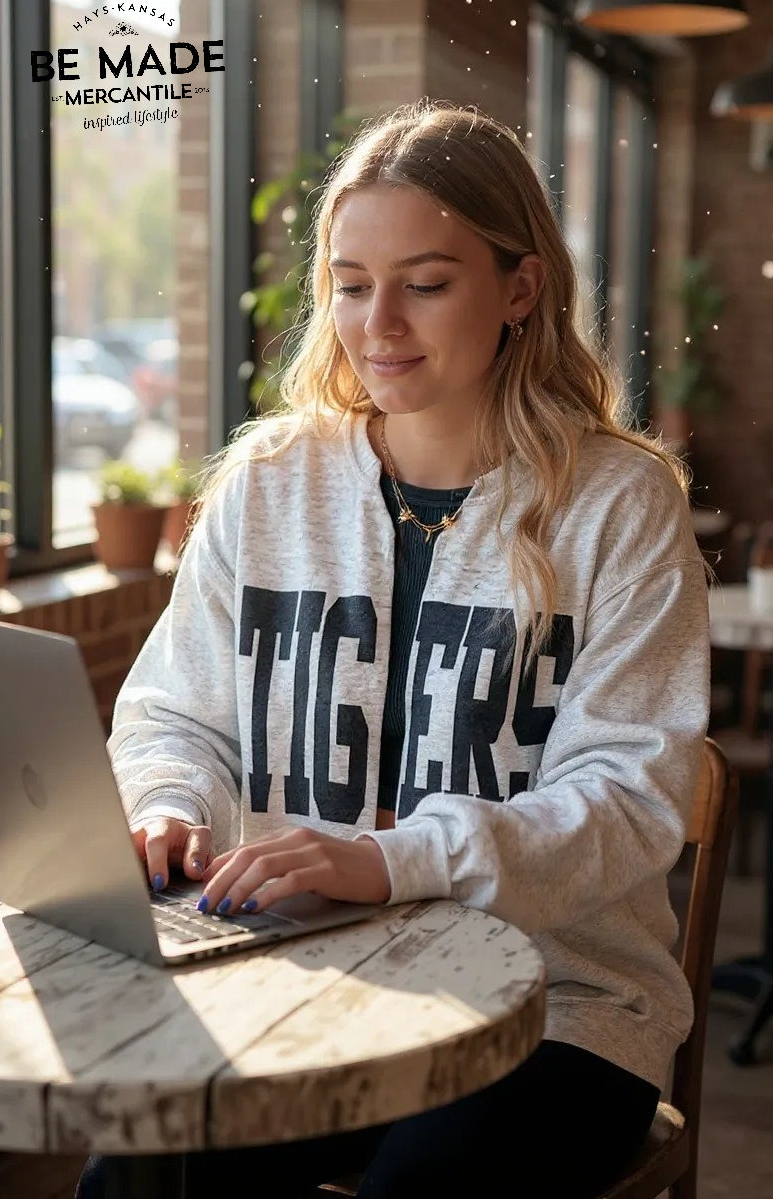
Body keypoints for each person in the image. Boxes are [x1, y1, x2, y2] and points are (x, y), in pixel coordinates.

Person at [76, 99, 710, 1199]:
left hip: (559, 1008)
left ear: (519, 289)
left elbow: (629, 798)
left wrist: (390, 859)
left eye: (425, 283)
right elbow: (174, 716)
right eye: (350, 283)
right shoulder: (270, 484)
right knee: (144, 1162)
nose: (379, 324)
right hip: (298, 978)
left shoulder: (620, 503)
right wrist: (168, 804)